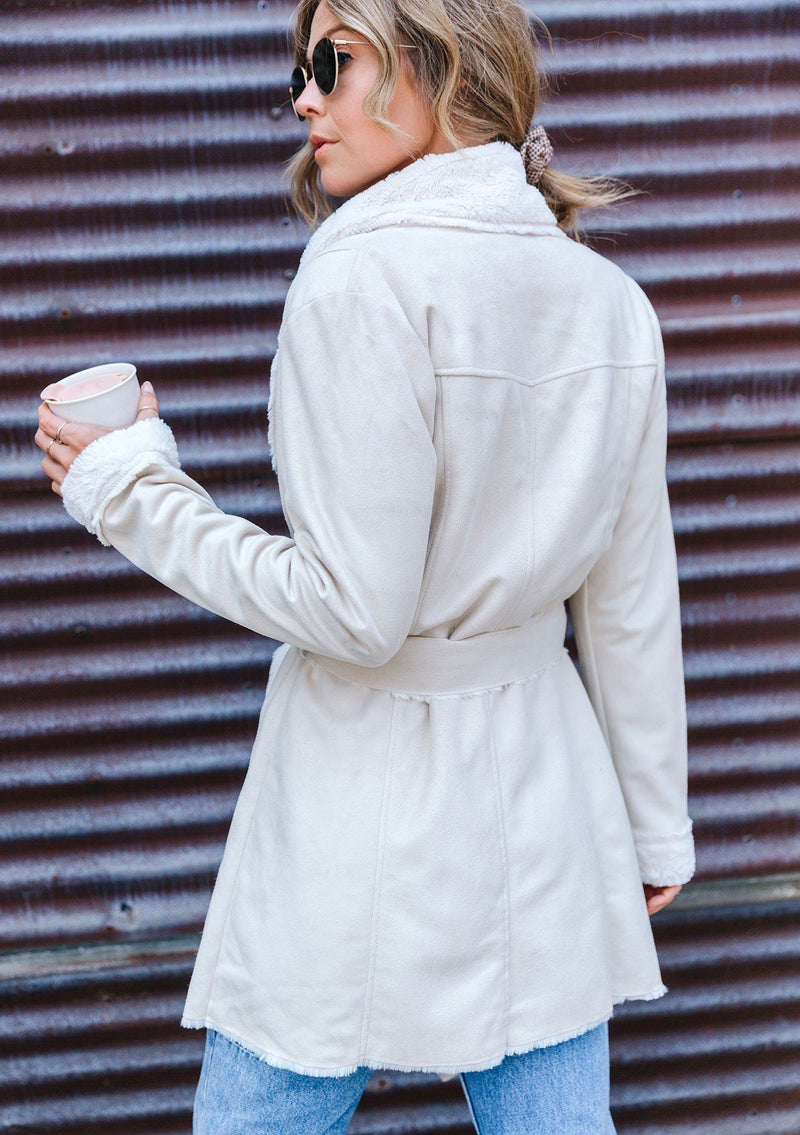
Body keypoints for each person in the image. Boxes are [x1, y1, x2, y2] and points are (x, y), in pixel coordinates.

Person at [34, 0, 695, 1130]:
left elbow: (354, 613)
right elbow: (628, 601)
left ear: (435, 71)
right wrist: (649, 825)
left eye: (331, 64)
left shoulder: (357, 286)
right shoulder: (606, 301)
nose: (303, 98)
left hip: (358, 807)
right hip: (548, 804)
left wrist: (128, 488)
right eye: (302, 68)